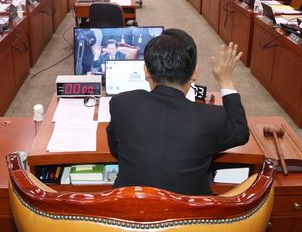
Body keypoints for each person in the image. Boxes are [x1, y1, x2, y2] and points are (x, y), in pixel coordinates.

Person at [107, 29, 249, 195]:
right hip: (190, 216)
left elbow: (116, 151)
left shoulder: (122, 103)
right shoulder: (212, 117)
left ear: (146, 72)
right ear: (194, 73)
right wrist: (225, 80)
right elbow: (241, 132)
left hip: (128, 212)